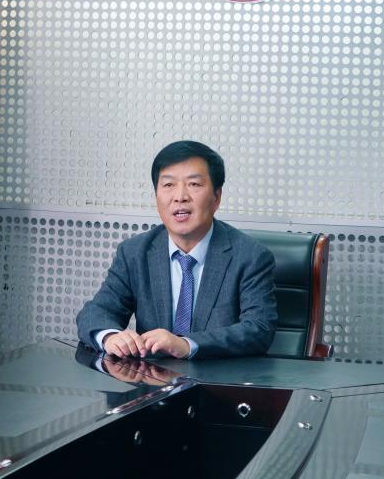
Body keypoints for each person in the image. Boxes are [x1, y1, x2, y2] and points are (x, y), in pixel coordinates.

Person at [76, 141, 277, 359]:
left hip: (218, 378)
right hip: (151, 378)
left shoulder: (250, 256)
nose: (180, 196)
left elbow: (258, 329)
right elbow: (96, 312)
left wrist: (186, 345)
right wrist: (110, 337)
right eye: (168, 185)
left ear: (216, 197)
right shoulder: (135, 252)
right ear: (156, 195)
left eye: (194, 184)